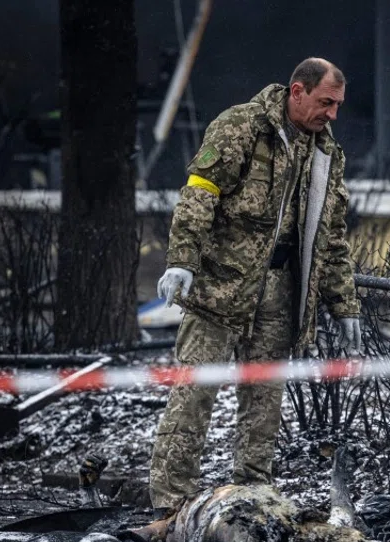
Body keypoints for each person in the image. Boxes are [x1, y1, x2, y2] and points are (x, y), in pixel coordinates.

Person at [149, 58, 362, 511]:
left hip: (281, 293)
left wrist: (345, 305)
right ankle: (170, 505)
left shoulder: (326, 154)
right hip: (219, 286)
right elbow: (199, 195)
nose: (332, 114)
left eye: (338, 105)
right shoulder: (241, 126)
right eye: (326, 102)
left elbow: (332, 236)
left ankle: (252, 497)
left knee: (264, 402)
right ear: (297, 91)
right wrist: (183, 261)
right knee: (193, 395)